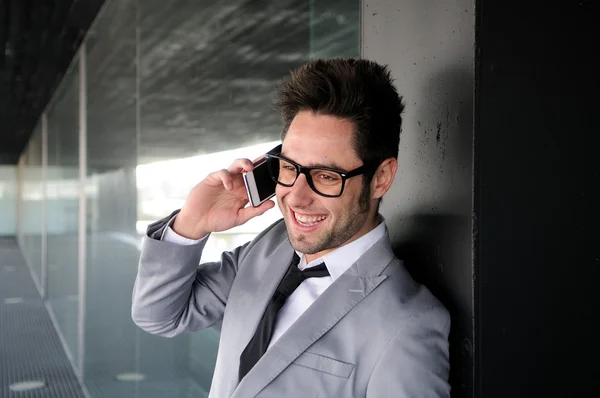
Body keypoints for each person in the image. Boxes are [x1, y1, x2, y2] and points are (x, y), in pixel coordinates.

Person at [132, 58, 450, 397]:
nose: (296, 198)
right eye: (288, 167)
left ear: (381, 178)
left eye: (326, 176)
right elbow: (160, 316)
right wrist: (191, 223)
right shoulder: (269, 247)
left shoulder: (409, 323)